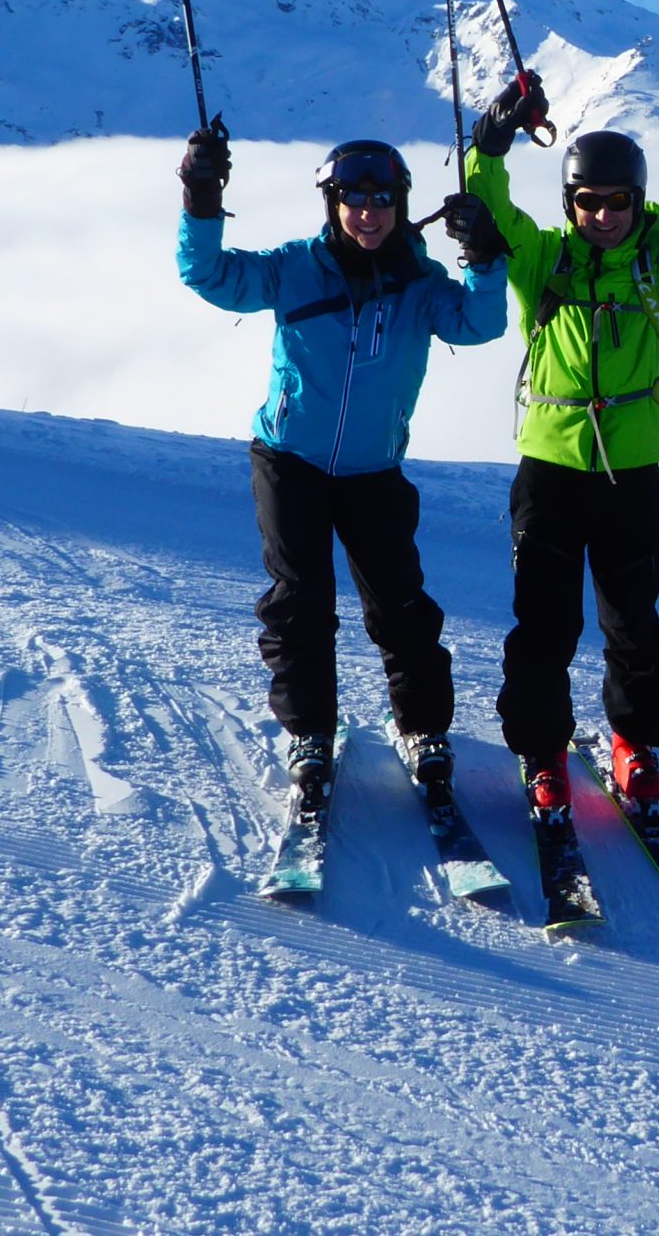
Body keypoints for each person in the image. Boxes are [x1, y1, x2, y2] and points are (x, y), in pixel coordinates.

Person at [174, 126, 510, 812]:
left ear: (400, 202)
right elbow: (208, 275)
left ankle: (421, 728)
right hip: (289, 459)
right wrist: (201, 195)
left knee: (401, 607)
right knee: (300, 603)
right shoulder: (295, 267)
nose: (368, 212)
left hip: (373, 470)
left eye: (382, 198)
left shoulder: (421, 282)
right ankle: (311, 735)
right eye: (351, 198)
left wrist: (484, 253)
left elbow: (479, 324)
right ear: (331, 203)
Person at [464, 68, 659, 825]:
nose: (602, 215)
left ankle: (634, 744)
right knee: (545, 625)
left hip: (631, 473)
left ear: (636, 198)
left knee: (635, 625)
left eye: (617, 200)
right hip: (551, 472)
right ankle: (544, 753)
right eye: (587, 202)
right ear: (570, 204)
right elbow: (491, 204)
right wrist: (493, 133)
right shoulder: (542, 260)